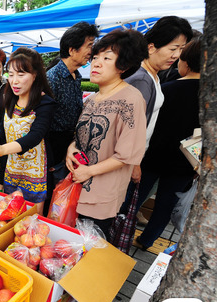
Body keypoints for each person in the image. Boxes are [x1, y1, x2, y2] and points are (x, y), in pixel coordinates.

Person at [65, 29, 148, 236]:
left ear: (124, 65)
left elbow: (127, 154)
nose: (96, 63)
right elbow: (81, 135)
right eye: (95, 57)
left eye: (106, 58)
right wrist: (70, 149)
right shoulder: (92, 99)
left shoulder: (131, 99)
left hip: (103, 193)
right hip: (78, 186)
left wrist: (89, 172)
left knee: (91, 247)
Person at [133, 37, 201, 250]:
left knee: (137, 195)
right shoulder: (209, 96)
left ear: (186, 63)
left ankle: (122, 229)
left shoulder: (166, 89)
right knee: (166, 204)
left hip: (154, 156)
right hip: (185, 162)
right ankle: (147, 240)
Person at [0, 48, 56, 214]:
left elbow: (35, 137)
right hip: (12, 169)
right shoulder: (10, 99)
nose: (14, 81)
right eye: (11, 74)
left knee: (31, 221)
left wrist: (3, 149)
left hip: (35, 174)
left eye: (21, 75)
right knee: (9, 214)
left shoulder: (45, 103)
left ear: (35, 75)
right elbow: (3, 128)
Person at [125, 16, 193, 184]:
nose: (177, 55)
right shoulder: (141, 79)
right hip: (126, 161)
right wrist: (134, 162)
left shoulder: (152, 77)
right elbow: (130, 127)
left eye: (181, 49)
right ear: (151, 48)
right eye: (173, 49)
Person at [46, 22, 98, 168]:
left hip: (71, 141)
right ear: (72, 50)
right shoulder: (52, 78)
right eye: (89, 45)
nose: (91, 51)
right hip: (54, 144)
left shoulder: (76, 76)